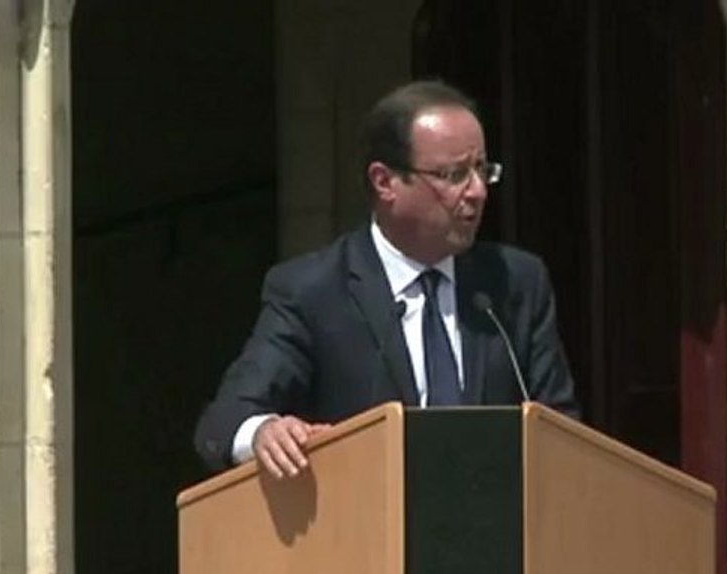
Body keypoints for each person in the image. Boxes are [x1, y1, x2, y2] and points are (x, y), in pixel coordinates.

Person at [194, 80, 579, 477]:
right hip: (366, 525)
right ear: (385, 182)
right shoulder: (314, 292)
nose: (477, 191)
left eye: (482, 170)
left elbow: (563, 430)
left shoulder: (514, 282)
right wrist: (264, 432)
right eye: (454, 174)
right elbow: (226, 420)